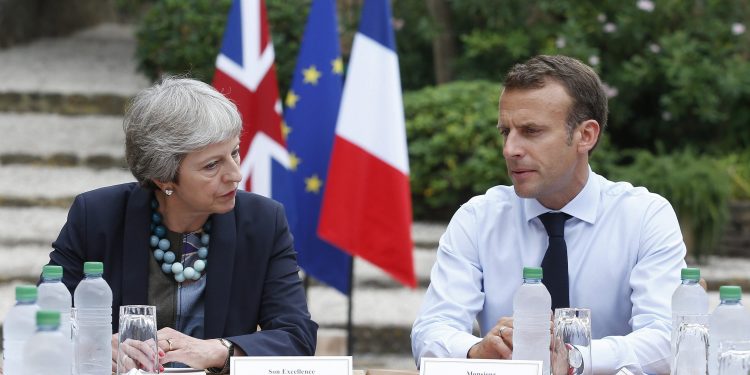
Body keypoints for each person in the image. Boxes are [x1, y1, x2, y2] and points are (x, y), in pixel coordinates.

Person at [411, 55, 685, 374]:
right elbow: (430, 331)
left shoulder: (644, 217)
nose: (510, 149)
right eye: (505, 132)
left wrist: (574, 356)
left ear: (586, 136)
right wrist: (475, 351)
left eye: (531, 131)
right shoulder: (478, 218)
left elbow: (668, 339)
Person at [45, 77, 317, 374]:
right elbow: (45, 321)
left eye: (235, 152)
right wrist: (89, 345)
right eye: (212, 165)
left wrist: (219, 350)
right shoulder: (96, 216)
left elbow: (297, 337)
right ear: (164, 178)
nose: (236, 174)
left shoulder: (264, 221)